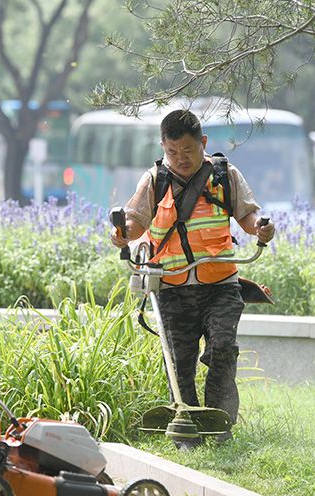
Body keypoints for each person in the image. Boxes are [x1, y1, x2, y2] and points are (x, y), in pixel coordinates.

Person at [110, 109, 275, 445]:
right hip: (172, 288)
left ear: (203, 143)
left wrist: (261, 228)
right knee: (179, 362)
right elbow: (135, 222)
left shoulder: (224, 175)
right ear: (163, 147)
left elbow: (247, 213)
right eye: (172, 152)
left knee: (224, 348)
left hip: (222, 285)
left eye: (187, 151)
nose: (180, 159)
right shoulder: (155, 180)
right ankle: (186, 430)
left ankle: (219, 424)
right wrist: (122, 234)